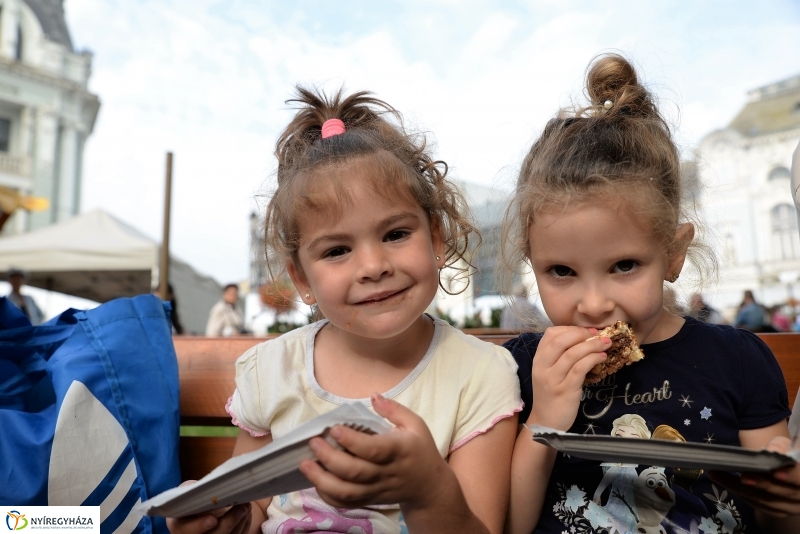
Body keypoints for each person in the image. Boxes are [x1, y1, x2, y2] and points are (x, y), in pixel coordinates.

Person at [169, 87, 521, 534]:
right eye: (337, 250)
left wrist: (428, 490)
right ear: (302, 280)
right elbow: (253, 504)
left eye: (395, 234)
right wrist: (229, 521)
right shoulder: (273, 369)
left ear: (435, 239)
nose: (373, 267)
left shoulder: (478, 375)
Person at [501, 53, 800, 533]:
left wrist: (784, 500)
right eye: (560, 270)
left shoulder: (738, 361)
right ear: (530, 261)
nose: (594, 303)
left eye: (624, 266)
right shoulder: (519, 368)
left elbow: (776, 521)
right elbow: (509, 526)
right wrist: (543, 420)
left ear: (673, 253)